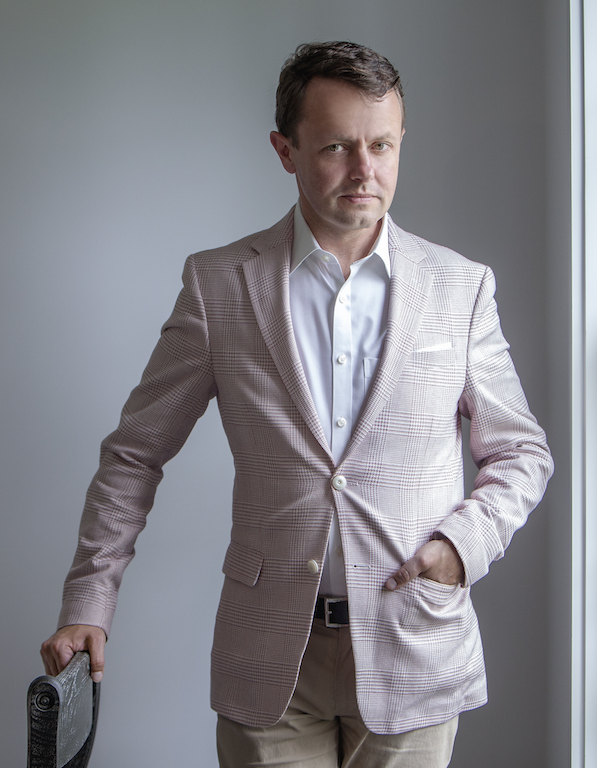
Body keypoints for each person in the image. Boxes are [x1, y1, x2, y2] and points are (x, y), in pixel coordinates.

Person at [41, 41, 553, 767]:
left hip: (415, 645)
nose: (365, 170)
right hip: (271, 657)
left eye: (382, 145)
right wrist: (88, 603)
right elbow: (134, 454)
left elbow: (521, 452)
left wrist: (461, 548)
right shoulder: (219, 286)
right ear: (286, 151)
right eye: (338, 146)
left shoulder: (459, 287)